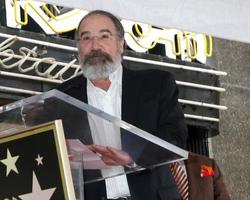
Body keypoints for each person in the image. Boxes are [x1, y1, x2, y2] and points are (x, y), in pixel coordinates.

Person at [57, 10, 188, 200]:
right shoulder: (62, 96)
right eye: (86, 38)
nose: (95, 46)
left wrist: (132, 155)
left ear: (121, 44)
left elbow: (176, 137)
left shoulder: (155, 84)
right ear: (78, 48)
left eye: (104, 36)